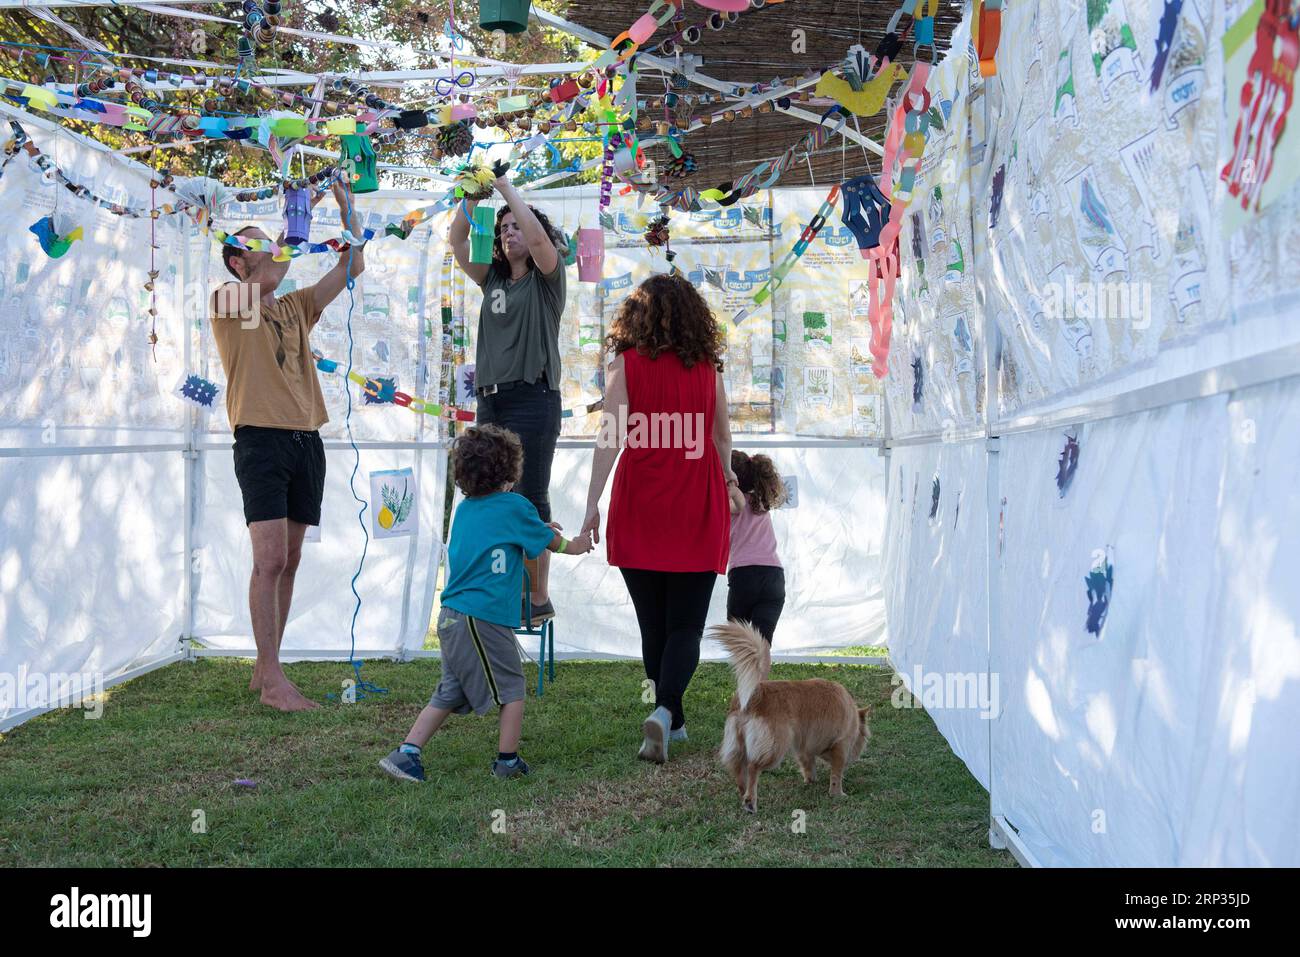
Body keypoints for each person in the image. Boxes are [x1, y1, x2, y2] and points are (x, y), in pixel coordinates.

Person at [209, 176, 364, 712]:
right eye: (256, 244)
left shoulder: (294, 306)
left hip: (306, 438)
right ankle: (274, 682)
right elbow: (277, 265)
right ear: (237, 262)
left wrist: (346, 208)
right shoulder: (230, 300)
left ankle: (266, 665)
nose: (270, 250)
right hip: (260, 439)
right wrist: (300, 215)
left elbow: (351, 267)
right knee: (269, 559)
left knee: (291, 559)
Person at [579, 273, 745, 764]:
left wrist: (591, 505)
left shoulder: (623, 367)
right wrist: (731, 480)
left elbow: (608, 438)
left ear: (636, 318)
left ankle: (668, 712)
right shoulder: (709, 373)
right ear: (697, 318)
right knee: (685, 627)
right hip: (696, 503)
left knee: (653, 626)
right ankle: (670, 713)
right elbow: (721, 441)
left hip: (640, 504)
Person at [379, 425, 592, 782]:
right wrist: (578, 543)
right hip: (482, 619)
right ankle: (507, 761)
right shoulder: (515, 506)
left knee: (450, 689)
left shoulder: (465, 510)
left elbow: (509, 535)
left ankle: (406, 754)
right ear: (511, 470)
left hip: (450, 618)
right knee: (513, 687)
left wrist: (537, 528)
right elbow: (549, 544)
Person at [448, 168, 567, 626]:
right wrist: (472, 197)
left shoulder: (546, 278)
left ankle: (538, 597)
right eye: (503, 230)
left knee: (530, 495)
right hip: (492, 399)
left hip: (533, 398)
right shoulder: (491, 279)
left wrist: (503, 188)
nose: (509, 232)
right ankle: (503, 588)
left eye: (515, 224)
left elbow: (539, 243)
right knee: (490, 492)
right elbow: (457, 240)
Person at [726, 450, 788, 644]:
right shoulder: (762, 500)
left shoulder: (733, 503)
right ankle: (761, 675)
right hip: (774, 577)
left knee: (740, 644)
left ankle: (744, 675)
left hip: (744, 576)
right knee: (762, 645)